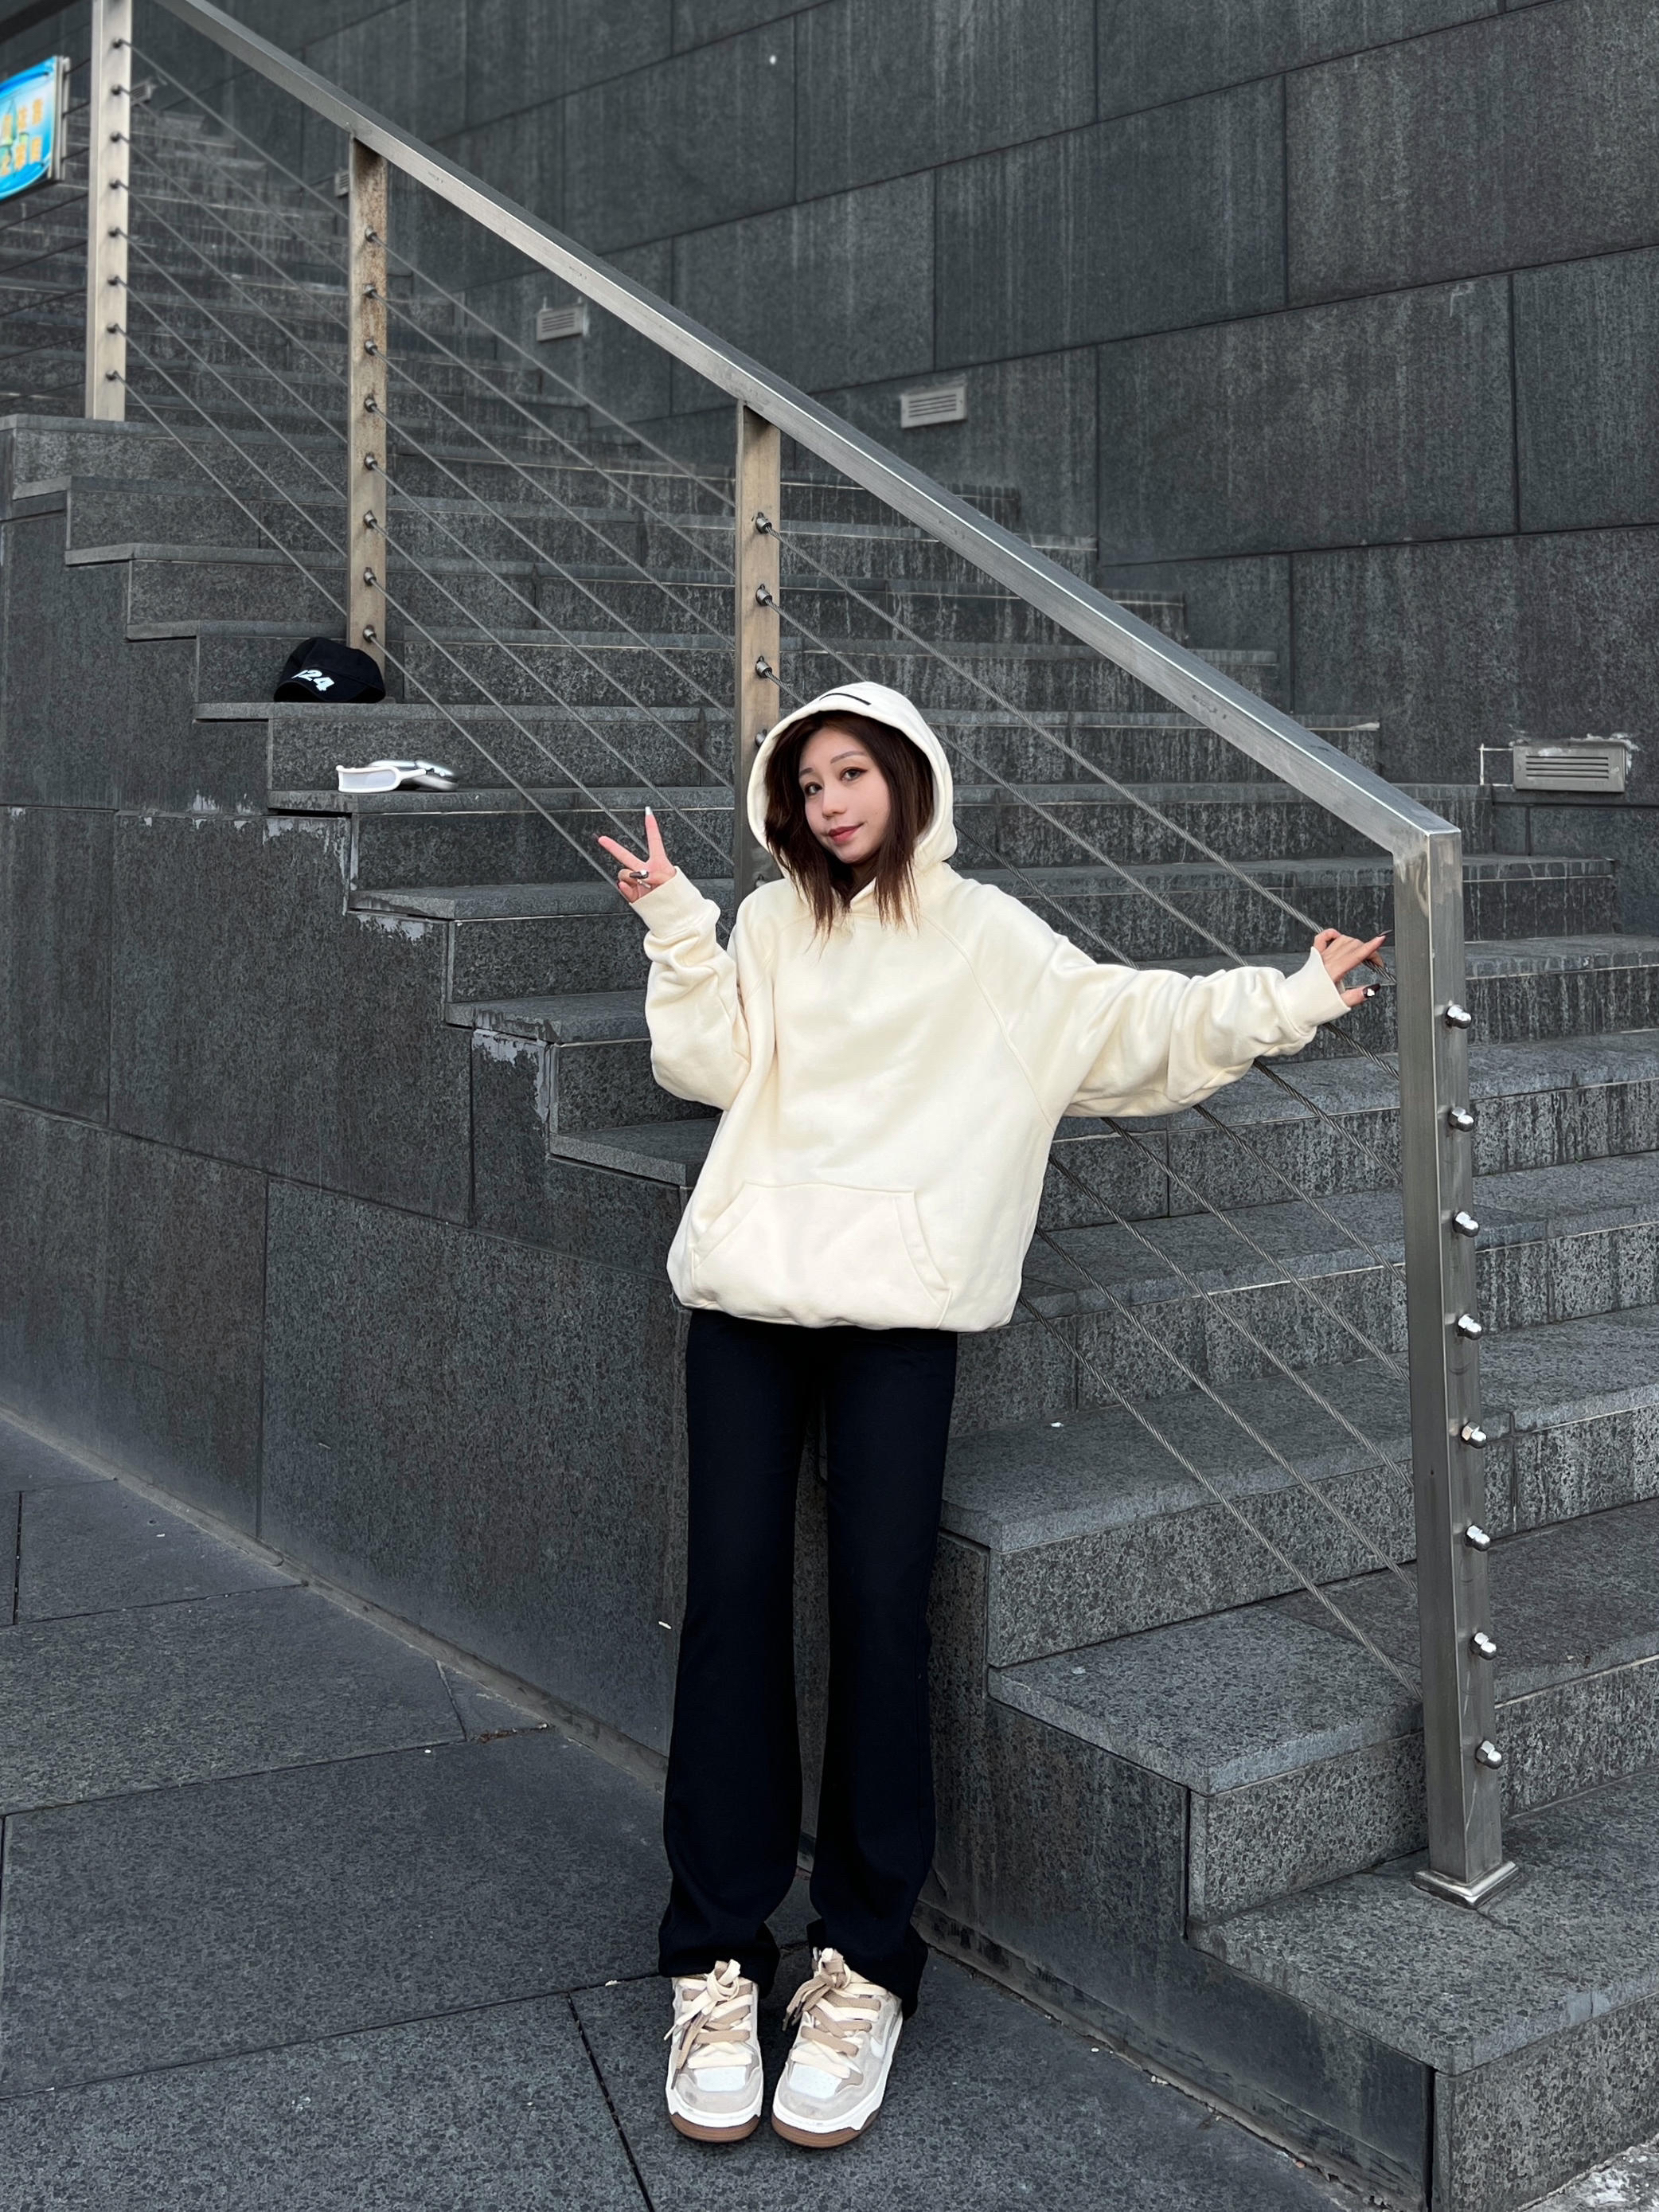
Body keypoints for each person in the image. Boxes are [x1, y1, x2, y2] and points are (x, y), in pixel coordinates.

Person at [598, 681, 1382, 2151]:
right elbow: (703, 1069)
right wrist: (677, 927)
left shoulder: (993, 940)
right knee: (731, 1604)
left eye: (851, 773)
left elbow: (1132, 1023)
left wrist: (1287, 997)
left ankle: (862, 1962)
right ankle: (716, 1953)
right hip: (747, 1305)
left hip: (905, 1314)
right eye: (807, 783)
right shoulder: (766, 923)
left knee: (885, 1612)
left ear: (908, 776)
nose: (829, 802)